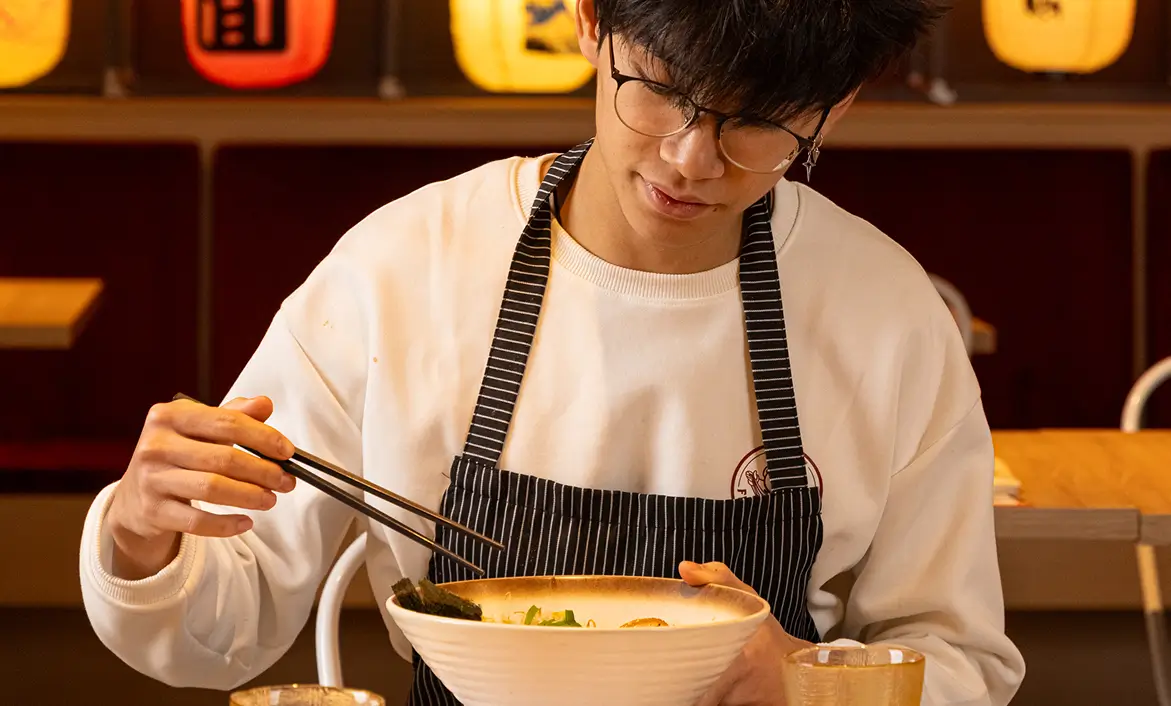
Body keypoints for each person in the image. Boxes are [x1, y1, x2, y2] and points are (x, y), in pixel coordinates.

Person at [79, 1, 1026, 704]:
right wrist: (139, 530)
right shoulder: (405, 266)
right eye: (659, 90)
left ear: (838, 104)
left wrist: (812, 684)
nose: (692, 159)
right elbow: (224, 631)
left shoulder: (885, 310)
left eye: (755, 121)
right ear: (588, 23)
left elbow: (957, 655)